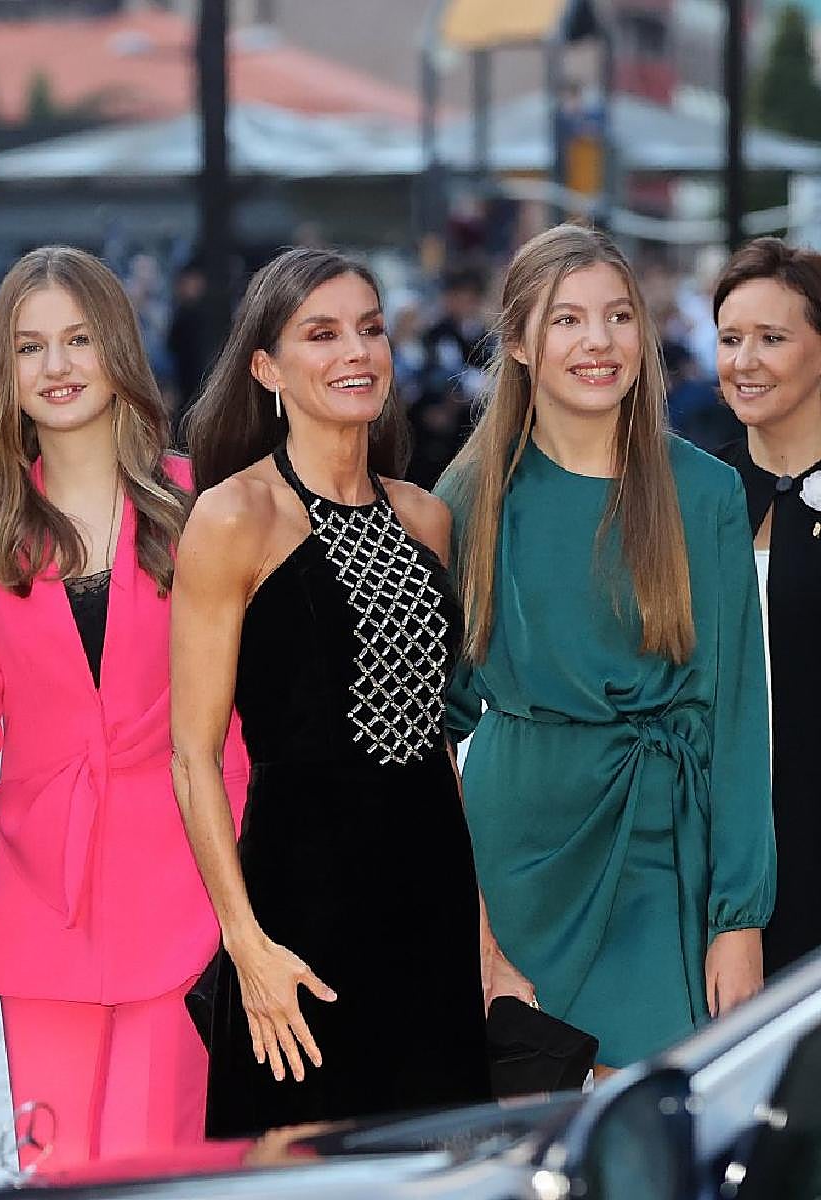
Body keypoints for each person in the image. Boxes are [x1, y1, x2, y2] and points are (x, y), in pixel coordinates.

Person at [0, 246, 248, 1174]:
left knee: (160, 1165)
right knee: (54, 1172)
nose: (55, 367)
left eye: (78, 340)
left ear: (119, 353)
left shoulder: (198, 505)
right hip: (44, 908)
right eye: (30, 347)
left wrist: (242, 899)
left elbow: (239, 730)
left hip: (186, 897)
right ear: (4, 372)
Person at [170, 247, 495, 1140]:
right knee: (296, 1164)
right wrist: (247, 946)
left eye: (370, 329)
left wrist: (484, 939)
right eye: (322, 334)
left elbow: (434, 741)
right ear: (267, 368)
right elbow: (192, 757)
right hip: (297, 910)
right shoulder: (233, 518)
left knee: (439, 1168)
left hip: (429, 898)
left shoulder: (427, 516)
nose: (356, 352)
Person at [435, 224, 775, 1070]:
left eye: (619, 316)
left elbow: (737, 718)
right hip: (515, 864)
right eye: (566, 320)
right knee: (525, 1136)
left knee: (650, 1136)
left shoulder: (706, 491)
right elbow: (433, 721)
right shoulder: (470, 494)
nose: (599, 342)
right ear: (517, 342)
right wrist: (468, 920)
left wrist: (738, 917)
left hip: (666, 856)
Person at [714, 238, 821, 976]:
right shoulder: (695, 495)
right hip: (721, 865)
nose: (745, 361)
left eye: (772, 338)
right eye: (730, 338)